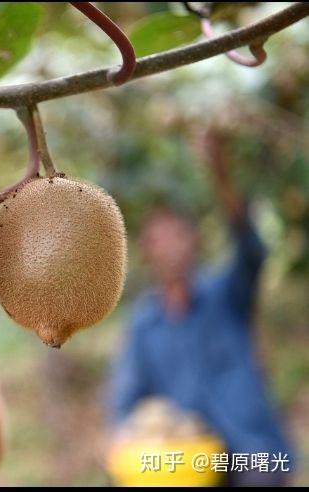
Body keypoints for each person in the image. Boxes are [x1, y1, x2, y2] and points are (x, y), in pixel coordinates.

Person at [106, 130, 292, 487]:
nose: (171, 245)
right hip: (189, 461)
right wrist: (126, 435)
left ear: (194, 240)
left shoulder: (226, 295)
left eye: (177, 233)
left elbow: (251, 251)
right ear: (147, 250)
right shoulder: (145, 326)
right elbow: (126, 399)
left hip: (252, 454)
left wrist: (220, 175)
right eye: (160, 237)